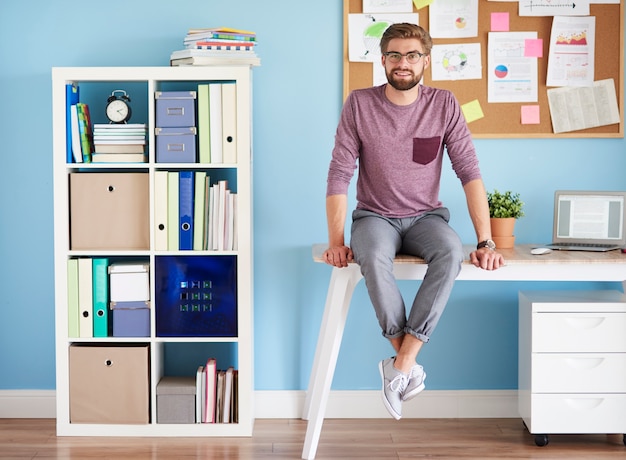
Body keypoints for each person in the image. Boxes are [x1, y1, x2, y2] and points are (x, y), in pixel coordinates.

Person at [323, 23, 505, 420]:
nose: (402, 63)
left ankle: (401, 365)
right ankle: (407, 361)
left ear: (425, 60)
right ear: (382, 59)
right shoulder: (359, 104)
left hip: (427, 217)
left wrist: (486, 241)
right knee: (370, 256)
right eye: (394, 55)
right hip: (375, 216)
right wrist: (337, 240)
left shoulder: (443, 104)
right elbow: (339, 174)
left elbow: (469, 173)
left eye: (411, 56)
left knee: (450, 252)